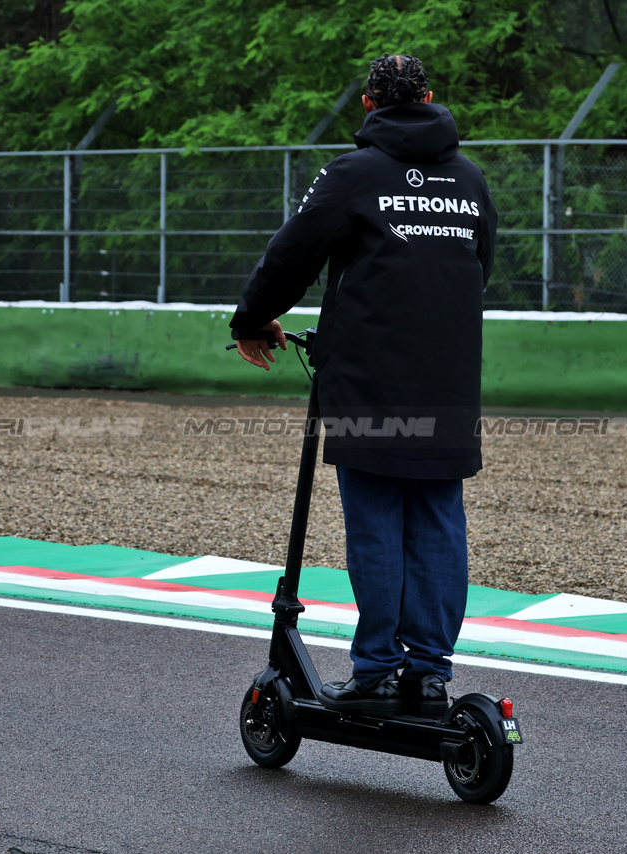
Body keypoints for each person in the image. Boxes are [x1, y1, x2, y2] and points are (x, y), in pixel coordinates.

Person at [228, 54, 497, 717]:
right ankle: (429, 672)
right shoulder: (470, 180)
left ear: (369, 106)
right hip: (449, 380)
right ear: (431, 98)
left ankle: (377, 668)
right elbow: (479, 266)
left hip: (372, 377)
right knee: (437, 520)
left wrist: (250, 318)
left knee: (377, 520)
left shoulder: (354, 174)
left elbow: (292, 253)